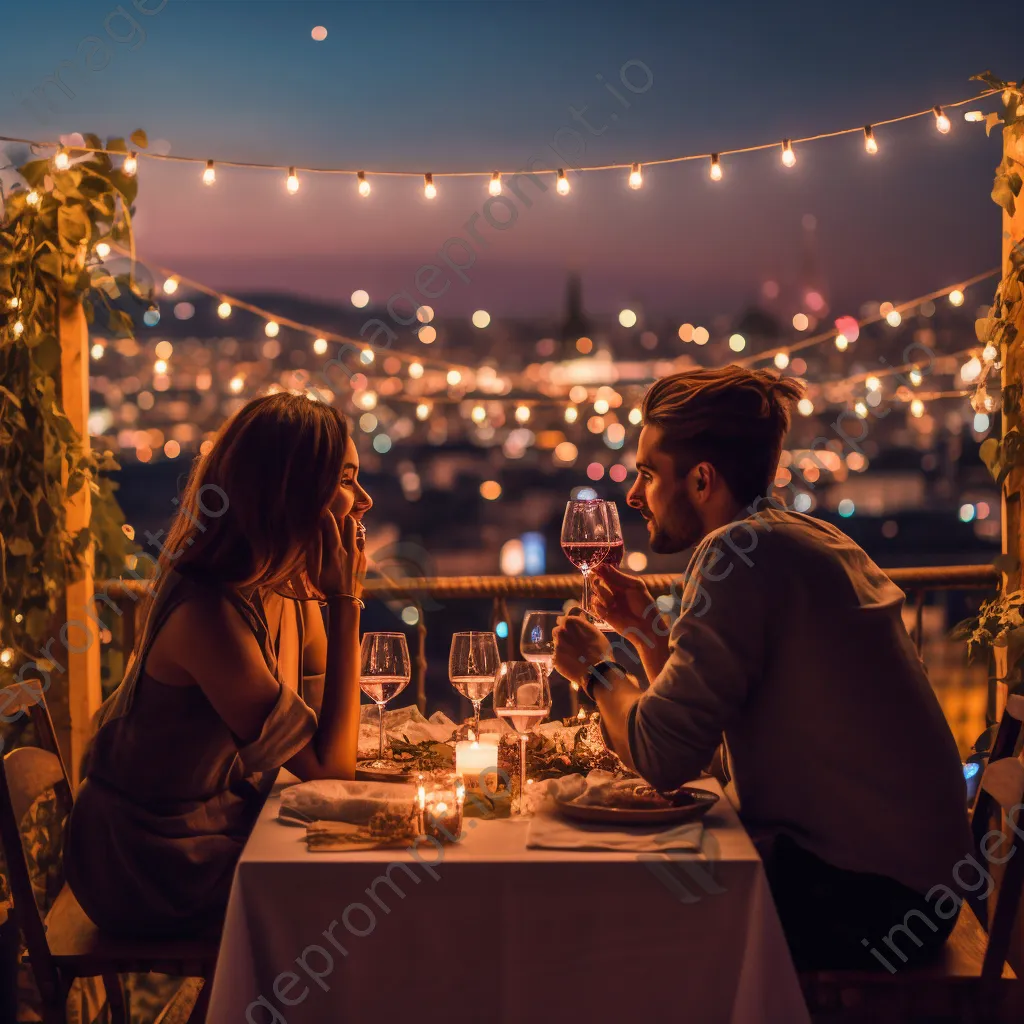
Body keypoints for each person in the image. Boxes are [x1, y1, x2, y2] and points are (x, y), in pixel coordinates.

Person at [552, 365, 972, 971]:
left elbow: (664, 754)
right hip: (913, 889)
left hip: (874, 901)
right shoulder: (789, 538)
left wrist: (596, 671)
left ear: (701, 479)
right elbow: (697, 737)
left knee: (620, 920)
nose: (634, 496)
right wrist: (645, 632)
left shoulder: (735, 557)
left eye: (646, 474)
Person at [65, 392, 372, 939]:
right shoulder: (209, 614)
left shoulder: (279, 588)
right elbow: (332, 772)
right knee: (347, 889)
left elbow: (329, 737)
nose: (365, 499)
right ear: (292, 491)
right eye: (347, 478)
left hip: (217, 826)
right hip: (149, 861)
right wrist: (346, 604)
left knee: (363, 859)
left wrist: (330, 602)